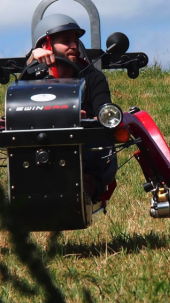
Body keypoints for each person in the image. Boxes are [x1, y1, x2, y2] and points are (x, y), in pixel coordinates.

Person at [27, 14, 118, 201]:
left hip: (87, 153)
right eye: (66, 41)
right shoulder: (30, 79)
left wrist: (86, 119)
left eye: (75, 41)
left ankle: (85, 190)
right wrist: (30, 62)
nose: (74, 46)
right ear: (46, 45)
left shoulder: (94, 77)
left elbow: (105, 112)